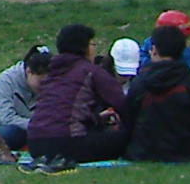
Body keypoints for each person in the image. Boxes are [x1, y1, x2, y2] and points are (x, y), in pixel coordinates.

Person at [22, 23, 130, 163]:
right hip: (67, 143)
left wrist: (96, 119)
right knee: (125, 137)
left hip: (35, 144)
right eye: (92, 44)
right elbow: (123, 105)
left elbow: (61, 111)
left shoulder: (52, 72)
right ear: (85, 48)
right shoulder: (90, 71)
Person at [124, 25, 190, 162]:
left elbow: (128, 120)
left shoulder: (139, 83)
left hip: (143, 152)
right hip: (186, 153)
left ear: (153, 50)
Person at [0, 45, 53, 150]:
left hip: (28, 128)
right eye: (41, 82)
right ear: (29, 71)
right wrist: (37, 125)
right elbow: (7, 119)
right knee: (12, 133)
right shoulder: (6, 81)